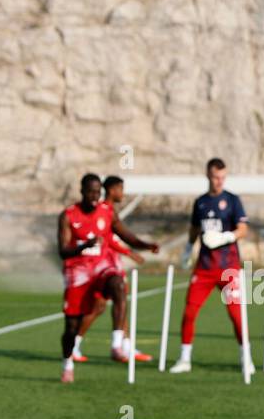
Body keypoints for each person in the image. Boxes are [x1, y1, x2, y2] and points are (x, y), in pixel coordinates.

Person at [57, 173, 158, 383]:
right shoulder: (68, 216)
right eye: (91, 192)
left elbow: (124, 234)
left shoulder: (106, 212)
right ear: (82, 191)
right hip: (78, 274)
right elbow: (63, 251)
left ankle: (117, 344)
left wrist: (145, 245)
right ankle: (68, 362)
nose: (95, 196)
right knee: (71, 328)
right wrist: (84, 246)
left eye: (98, 192)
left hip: (102, 268)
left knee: (118, 285)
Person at [170, 158, 250, 374]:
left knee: (236, 315)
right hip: (204, 268)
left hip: (229, 267)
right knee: (189, 312)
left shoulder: (233, 200)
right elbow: (195, 228)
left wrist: (225, 237)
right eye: (216, 177)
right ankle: (185, 358)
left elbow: (243, 229)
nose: (219, 181)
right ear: (208, 175)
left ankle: (246, 357)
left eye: (223, 177)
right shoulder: (201, 202)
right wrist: (188, 248)